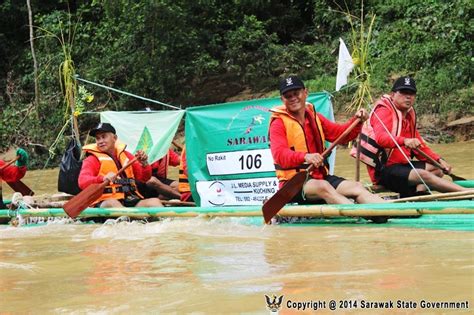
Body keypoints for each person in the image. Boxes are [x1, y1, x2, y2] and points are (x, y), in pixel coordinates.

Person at [269, 75, 386, 205]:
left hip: (320, 177)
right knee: (323, 187)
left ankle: (388, 213)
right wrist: (306, 157)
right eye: (288, 96)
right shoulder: (278, 123)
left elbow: (342, 136)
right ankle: (358, 215)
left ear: (305, 93)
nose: (293, 98)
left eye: (296, 93)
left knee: (357, 187)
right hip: (293, 184)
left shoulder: (316, 118)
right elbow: (280, 155)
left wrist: (357, 121)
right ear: (282, 99)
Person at [357, 76, 468, 197]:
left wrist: (438, 160)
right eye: (403, 92)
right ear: (393, 94)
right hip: (385, 170)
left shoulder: (409, 115)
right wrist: (405, 141)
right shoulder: (384, 111)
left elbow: (420, 146)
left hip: (403, 166)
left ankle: (418, 193)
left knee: (438, 169)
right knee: (423, 174)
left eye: (411, 93)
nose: (408, 96)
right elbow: (381, 138)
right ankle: (466, 193)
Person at [78, 122, 163, 208]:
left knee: (155, 202)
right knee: (112, 203)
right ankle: (131, 218)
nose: (101, 141)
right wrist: (103, 178)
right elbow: (82, 181)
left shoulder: (126, 155)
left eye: (104, 137)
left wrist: (144, 164)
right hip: (105, 201)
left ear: (114, 138)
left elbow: (143, 178)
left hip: (129, 199)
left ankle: (134, 217)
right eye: (98, 138)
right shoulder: (92, 159)